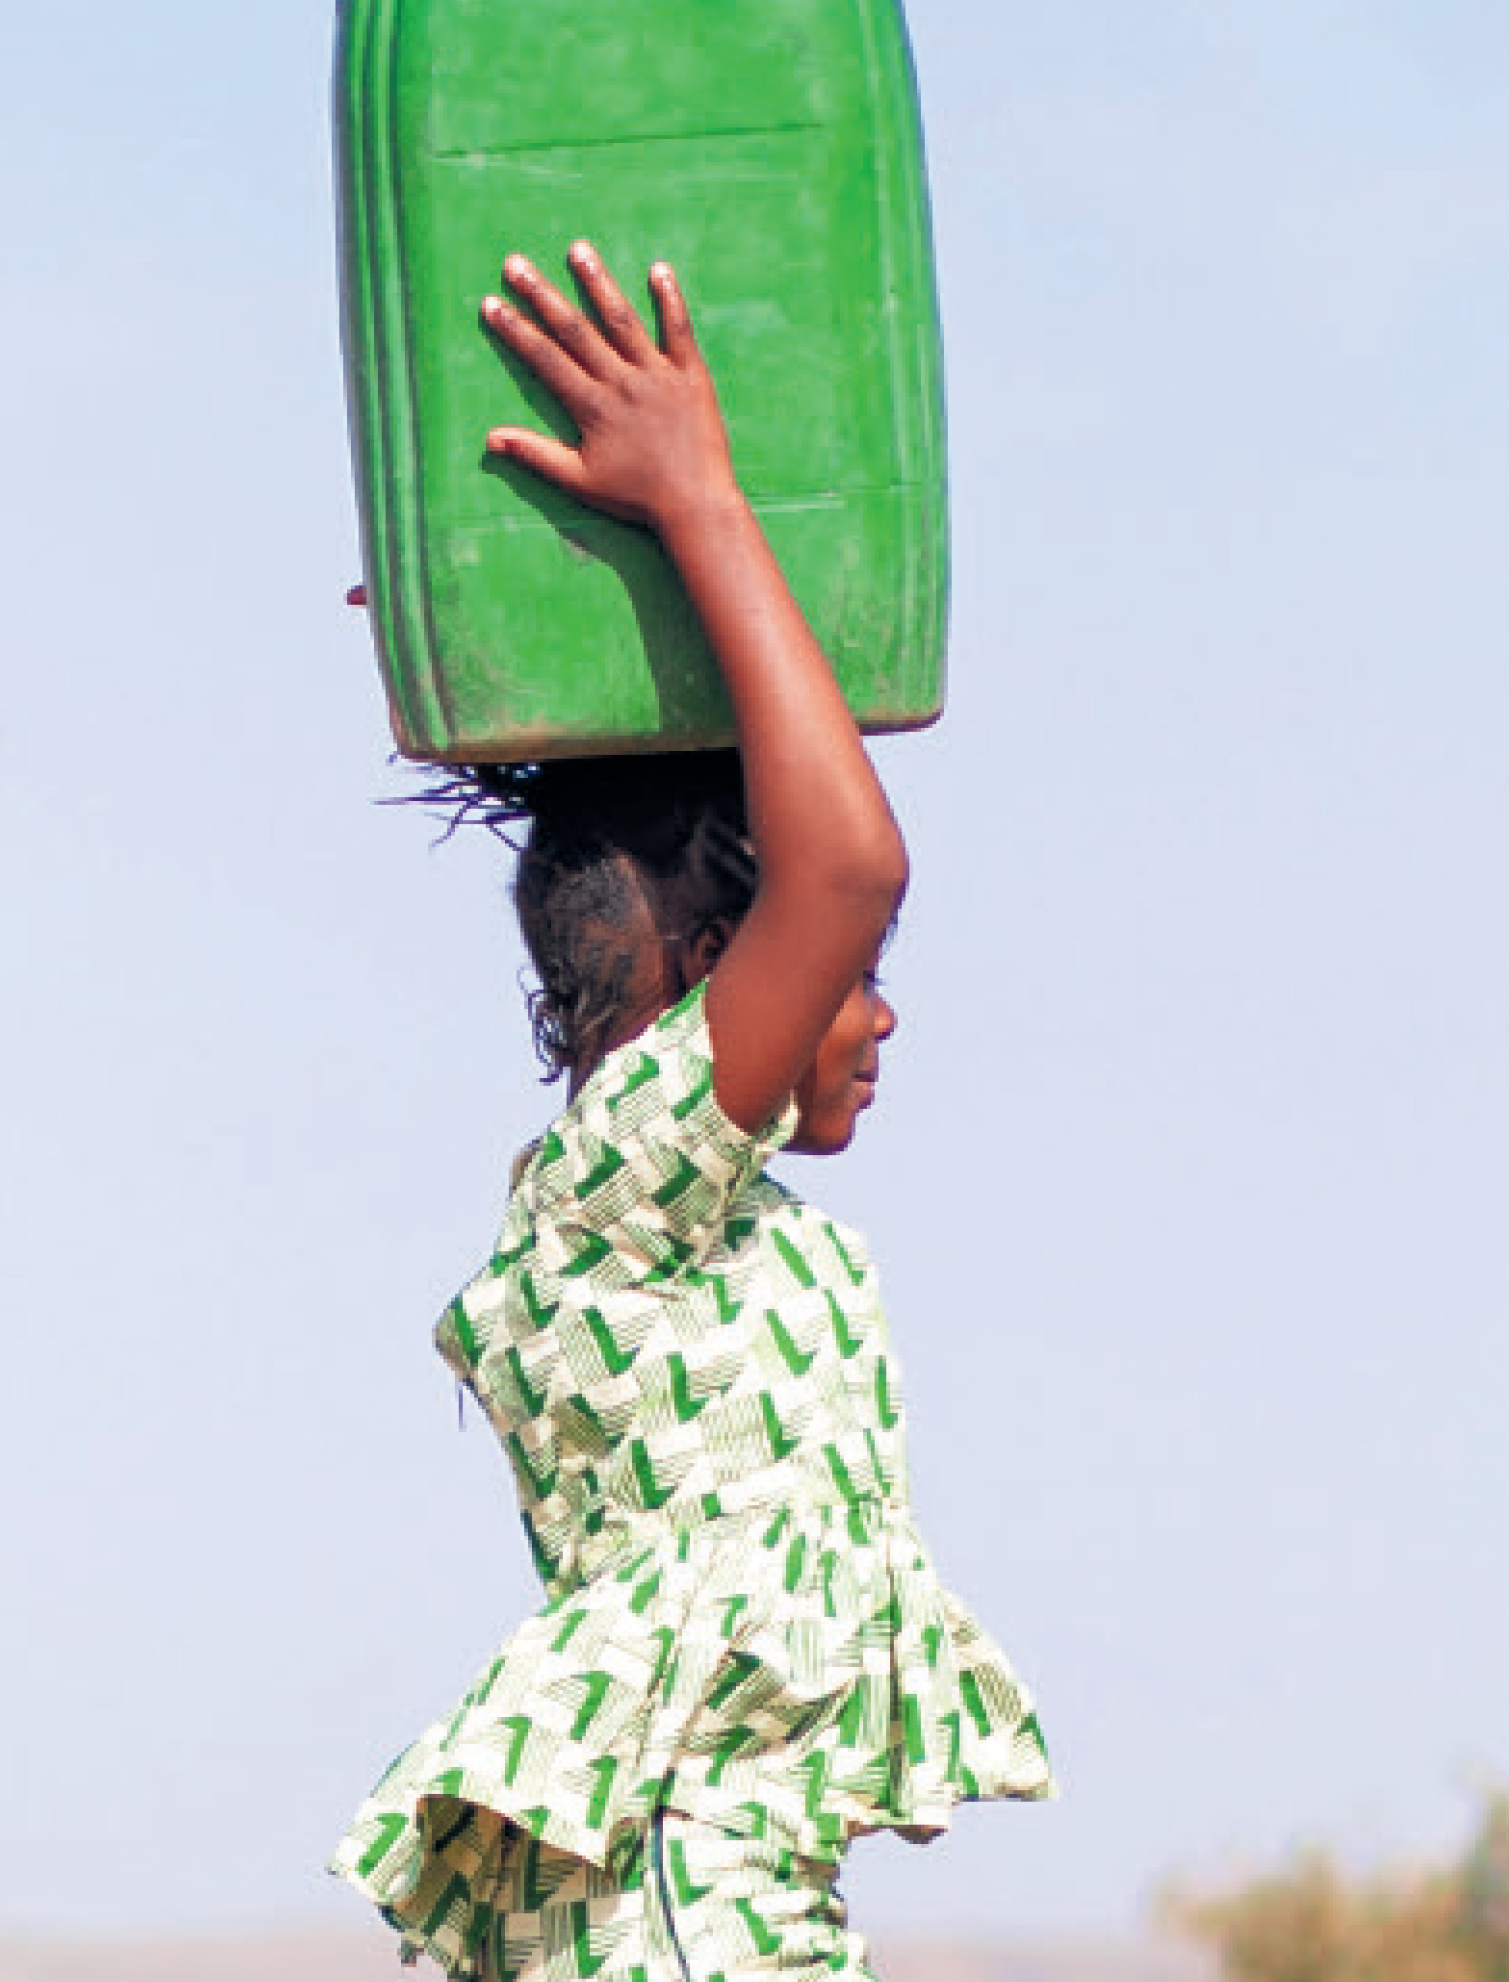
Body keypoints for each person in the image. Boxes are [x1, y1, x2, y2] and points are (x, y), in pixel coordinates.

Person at [328, 242, 1052, 1980]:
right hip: (682, 1898)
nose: (876, 1008)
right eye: (844, 972)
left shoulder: (680, 1215)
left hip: (718, 1894)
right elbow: (852, 859)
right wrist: (703, 498)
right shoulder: (626, 1187)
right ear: (732, 966)